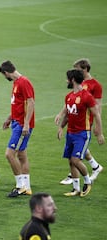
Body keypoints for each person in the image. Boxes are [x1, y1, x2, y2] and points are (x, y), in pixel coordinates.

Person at [57, 69, 104, 197]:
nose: (66, 81)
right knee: (71, 161)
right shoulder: (69, 97)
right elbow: (68, 114)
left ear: (72, 80)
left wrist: (99, 133)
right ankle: (76, 189)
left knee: (76, 160)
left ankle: (88, 182)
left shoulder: (86, 96)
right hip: (70, 133)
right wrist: (61, 127)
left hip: (82, 133)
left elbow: (96, 114)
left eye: (67, 78)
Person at [0, 60, 35, 198]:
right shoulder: (16, 83)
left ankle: (20, 186)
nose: (5, 77)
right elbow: (18, 104)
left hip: (21, 125)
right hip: (16, 122)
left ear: (6, 72)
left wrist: (26, 124)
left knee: (9, 154)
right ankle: (27, 187)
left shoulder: (24, 82)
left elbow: (31, 102)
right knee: (21, 155)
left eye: (4, 75)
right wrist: (10, 118)